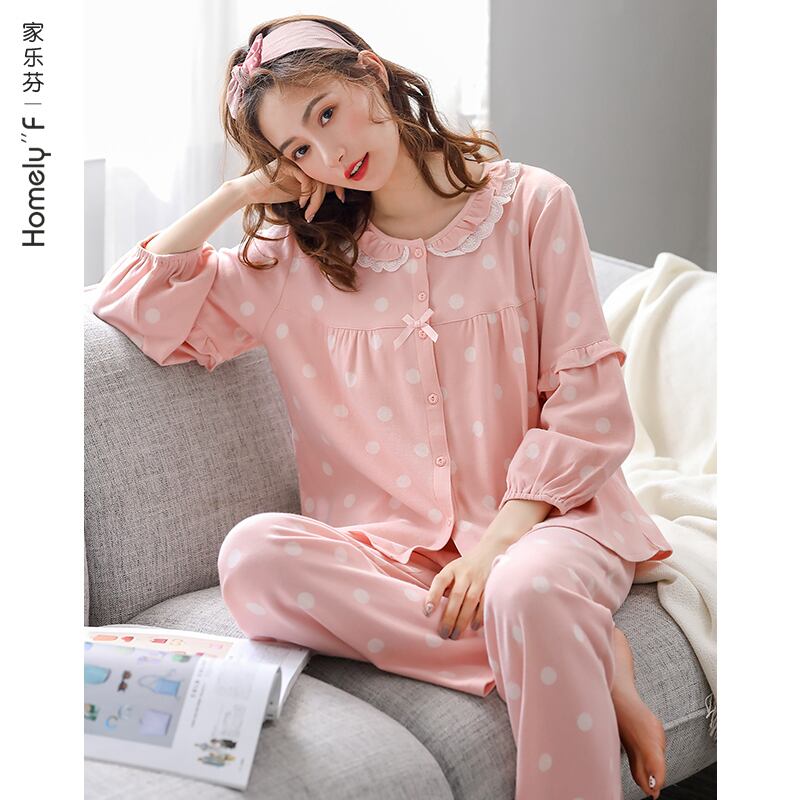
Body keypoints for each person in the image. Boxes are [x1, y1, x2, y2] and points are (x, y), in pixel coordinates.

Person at [91, 13, 672, 800]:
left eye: (326, 112)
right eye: (298, 149)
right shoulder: (297, 258)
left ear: (370, 72)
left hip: (549, 522)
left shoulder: (532, 206)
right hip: (394, 551)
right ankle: (583, 655)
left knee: (525, 587)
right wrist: (237, 193)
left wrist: (498, 545)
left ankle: (543, 622)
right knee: (254, 557)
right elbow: (138, 307)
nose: (329, 154)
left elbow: (586, 403)